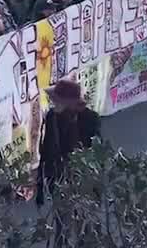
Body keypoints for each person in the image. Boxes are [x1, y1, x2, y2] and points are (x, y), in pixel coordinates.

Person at [37, 78, 101, 207]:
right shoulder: (51, 117)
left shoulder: (90, 118)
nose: (53, 102)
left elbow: (97, 153)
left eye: (56, 100)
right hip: (58, 176)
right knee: (61, 217)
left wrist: (96, 188)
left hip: (82, 176)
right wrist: (40, 188)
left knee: (84, 219)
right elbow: (45, 150)